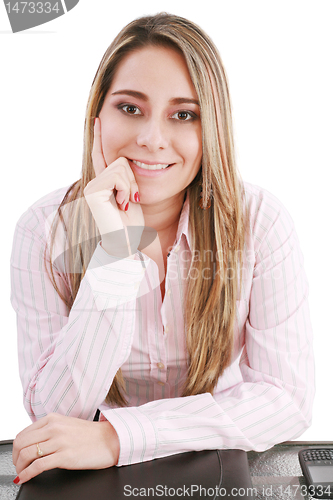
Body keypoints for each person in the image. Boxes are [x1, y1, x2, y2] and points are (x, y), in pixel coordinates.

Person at [10, 12, 315, 486]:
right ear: (97, 117)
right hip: (89, 478)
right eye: (130, 108)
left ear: (211, 127)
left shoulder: (260, 222)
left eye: (183, 114)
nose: (151, 139)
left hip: (214, 465)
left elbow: (286, 400)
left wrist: (119, 438)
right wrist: (116, 251)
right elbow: (55, 412)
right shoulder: (44, 232)